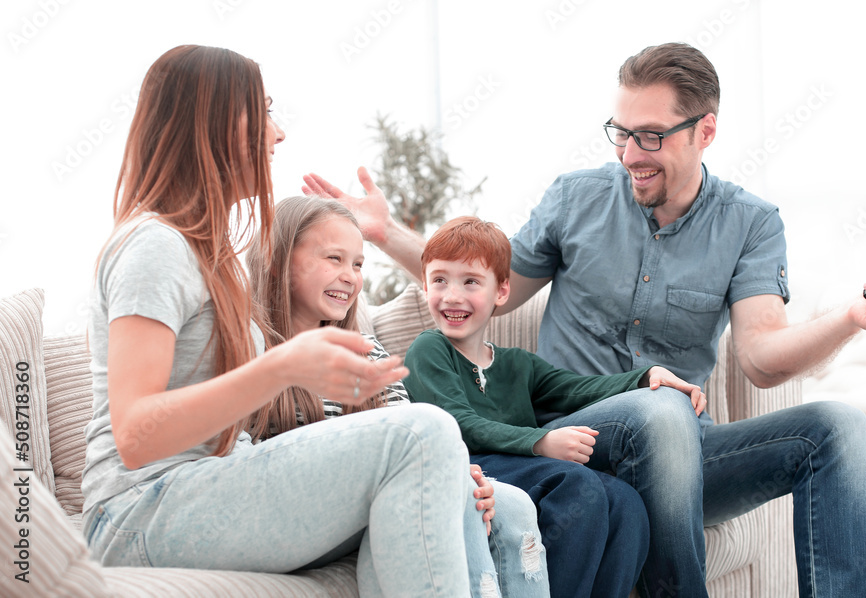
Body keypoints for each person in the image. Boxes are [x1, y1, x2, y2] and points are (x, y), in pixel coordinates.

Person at [304, 42, 866, 597]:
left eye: (652, 136)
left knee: (839, 425)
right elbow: (486, 285)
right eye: (621, 132)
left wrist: (853, 318)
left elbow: (763, 361)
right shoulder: (576, 198)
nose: (632, 153)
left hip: (685, 454)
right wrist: (387, 235)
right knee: (658, 402)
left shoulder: (751, 224)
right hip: (573, 442)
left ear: (705, 130)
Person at [81, 45, 473, 597]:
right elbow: (135, 435)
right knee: (423, 431)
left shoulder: (211, 255)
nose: (279, 132)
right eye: (263, 111)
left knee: (485, 493)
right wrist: (283, 366)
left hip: (207, 486)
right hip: (142, 509)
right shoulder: (155, 245)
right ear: (212, 122)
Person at [244, 196, 550, 597]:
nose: (350, 276)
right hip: (307, 510)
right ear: (279, 258)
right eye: (334, 259)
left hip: (379, 499)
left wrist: (460, 475)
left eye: (357, 264)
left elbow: (414, 440)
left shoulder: (366, 350)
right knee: (453, 500)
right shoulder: (252, 348)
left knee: (509, 504)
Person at [403, 216, 656, 598]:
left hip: (520, 469)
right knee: (576, 483)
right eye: (440, 280)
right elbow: (459, 422)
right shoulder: (429, 349)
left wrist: (646, 376)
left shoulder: (517, 364)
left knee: (627, 502)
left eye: (470, 281)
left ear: (501, 291)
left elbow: (577, 390)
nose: (452, 295)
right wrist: (542, 441)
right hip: (468, 467)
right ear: (425, 285)